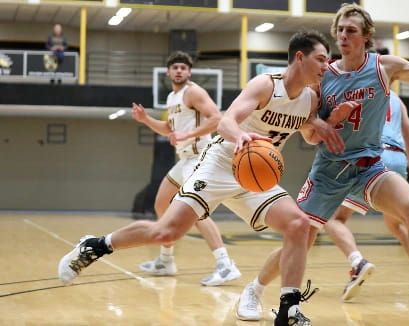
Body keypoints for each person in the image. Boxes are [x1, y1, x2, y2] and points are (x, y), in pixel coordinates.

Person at [237, 4, 409, 326]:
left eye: (351, 30)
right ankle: (254, 290)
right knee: (303, 237)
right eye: (339, 30)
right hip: (329, 171)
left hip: (370, 166)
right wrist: (329, 121)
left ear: (366, 36)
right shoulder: (322, 77)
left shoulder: (385, 67)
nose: (343, 35)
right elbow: (311, 138)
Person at [58, 31, 345, 326]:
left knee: (299, 226)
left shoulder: (311, 99)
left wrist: (326, 125)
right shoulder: (265, 85)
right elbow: (224, 122)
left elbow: (308, 134)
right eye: (321, 59)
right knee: (167, 232)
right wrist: (241, 136)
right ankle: (96, 245)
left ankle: (289, 311)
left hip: (255, 175)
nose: (326, 66)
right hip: (222, 162)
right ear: (300, 57)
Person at [131, 51, 241, 286]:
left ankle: (225, 265)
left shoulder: (194, 92)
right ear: (168, 72)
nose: (179, 71)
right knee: (161, 204)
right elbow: (169, 129)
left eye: (183, 67)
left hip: (202, 157)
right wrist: (145, 120)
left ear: (189, 72)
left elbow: (216, 118)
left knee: (197, 211)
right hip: (185, 159)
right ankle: (166, 260)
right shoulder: (172, 97)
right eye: (175, 67)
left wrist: (188, 134)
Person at [322, 90, 409, 301]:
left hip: (374, 156)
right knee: (396, 225)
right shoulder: (399, 100)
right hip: (399, 160)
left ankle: (357, 262)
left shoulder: (362, 91)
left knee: (334, 219)